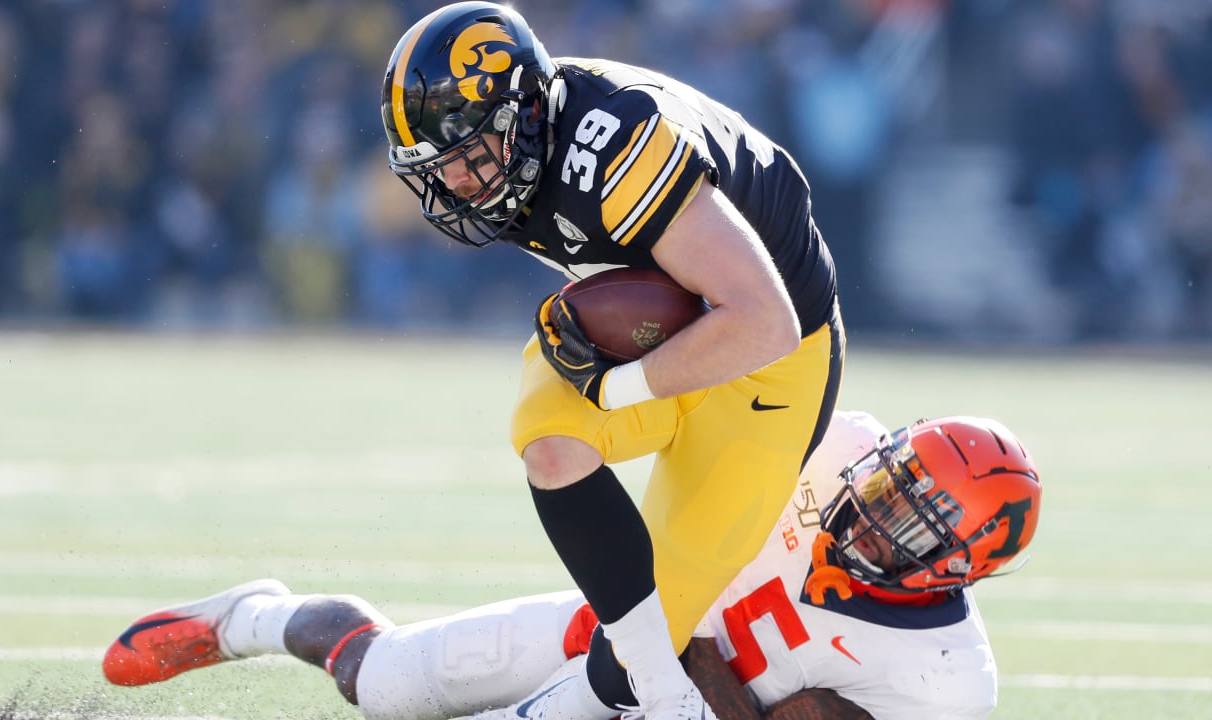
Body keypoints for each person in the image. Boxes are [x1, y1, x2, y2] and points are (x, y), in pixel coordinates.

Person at [378, 4, 844, 718]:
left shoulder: (618, 150)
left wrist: (616, 386)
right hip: (673, 325)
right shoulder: (522, 153)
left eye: (469, 159)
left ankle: (631, 683)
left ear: (526, 116)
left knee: (617, 662)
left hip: (768, 369)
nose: (459, 188)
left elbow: (764, 322)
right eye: (439, 170)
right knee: (552, 448)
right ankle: (665, 693)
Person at [102, 412, 1042, 720]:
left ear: (957, 570)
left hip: (663, 694)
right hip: (614, 625)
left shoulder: (944, 680)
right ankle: (252, 618)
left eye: (909, 527)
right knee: (382, 679)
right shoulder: (836, 438)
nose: (871, 515)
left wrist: (693, 677)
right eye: (888, 488)